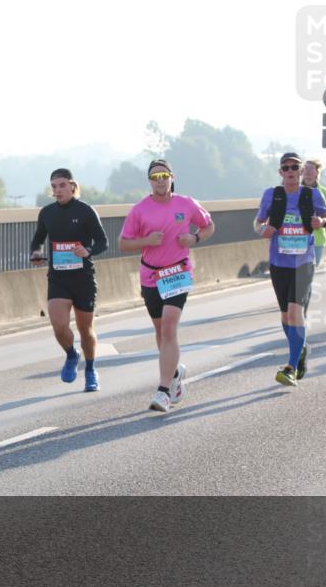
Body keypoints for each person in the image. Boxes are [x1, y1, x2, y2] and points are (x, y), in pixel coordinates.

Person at [118, 159, 215, 412]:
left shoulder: (186, 203)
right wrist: (146, 240)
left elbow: (208, 226)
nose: (160, 180)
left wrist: (194, 237)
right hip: (151, 275)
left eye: (164, 175)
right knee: (161, 332)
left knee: (170, 326)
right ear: (149, 181)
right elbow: (124, 244)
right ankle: (174, 374)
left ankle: (163, 392)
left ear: (172, 177)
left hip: (178, 272)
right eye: (155, 176)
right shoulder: (139, 210)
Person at [254, 153, 326, 386]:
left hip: (303, 262)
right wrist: (262, 230)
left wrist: (322, 223)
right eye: (285, 167)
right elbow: (258, 222)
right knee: (286, 316)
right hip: (279, 262)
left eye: (294, 167)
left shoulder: (311, 194)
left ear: (300, 171)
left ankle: (291, 367)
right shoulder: (272, 195)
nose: (290, 171)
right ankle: (302, 348)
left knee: (296, 312)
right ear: (280, 172)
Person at [30, 168, 109, 392]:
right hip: (58, 278)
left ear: (72, 186)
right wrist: (35, 253)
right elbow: (37, 240)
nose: (57, 190)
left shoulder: (85, 211)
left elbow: (103, 242)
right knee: (59, 325)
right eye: (54, 186)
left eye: (62, 185)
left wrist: (88, 250)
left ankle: (91, 369)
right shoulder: (47, 213)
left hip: (83, 278)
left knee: (86, 330)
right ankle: (71, 354)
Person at [301, 159, 326, 266]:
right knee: (297, 275)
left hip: (317, 240)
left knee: (309, 273)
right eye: (306, 168)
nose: (308, 171)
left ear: (317, 172)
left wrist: (322, 221)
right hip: (296, 239)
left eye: (311, 168)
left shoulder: (324, 192)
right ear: (302, 171)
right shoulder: (293, 190)